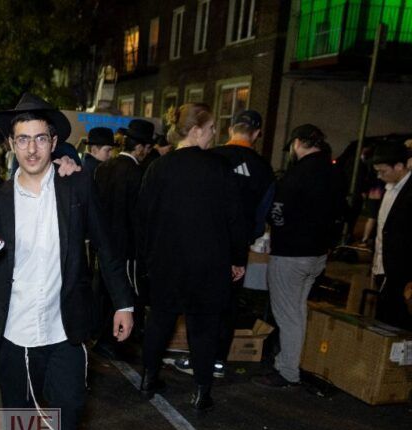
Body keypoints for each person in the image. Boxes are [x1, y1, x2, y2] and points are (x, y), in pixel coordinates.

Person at [0, 93, 134, 430]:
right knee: (19, 409)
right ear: (12, 144)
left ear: (54, 143)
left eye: (40, 138)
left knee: (69, 404)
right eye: (22, 139)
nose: (31, 148)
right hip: (15, 327)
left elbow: (106, 247)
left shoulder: (77, 185)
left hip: (65, 323)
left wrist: (123, 302)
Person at [137, 103, 247, 411]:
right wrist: (238, 258)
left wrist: (147, 258)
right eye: (211, 128)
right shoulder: (219, 168)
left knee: (160, 320)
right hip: (208, 263)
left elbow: (143, 217)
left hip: (166, 261)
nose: (214, 134)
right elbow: (235, 218)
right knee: (204, 327)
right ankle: (201, 391)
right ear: (196, 130)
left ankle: (148, 378)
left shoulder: (158, 167)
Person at [172, 110, 274, 377]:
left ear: (230, 129)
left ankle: (197, 357)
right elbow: (262, 213)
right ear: (256, 134)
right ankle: (217, 359)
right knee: (228, 303)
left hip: (206, 243)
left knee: (199, 302)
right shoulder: (264, 168)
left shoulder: (213, 157)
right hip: (238, 247)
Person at [254, 124, 340, 388]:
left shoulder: (298, 173)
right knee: (297, 311)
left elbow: (277, 210)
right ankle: (288, 361)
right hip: (317, 254)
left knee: (288, 315)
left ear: (298, 143)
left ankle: (288, 371)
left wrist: (276, 226)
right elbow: (342, 210)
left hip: (291, 253)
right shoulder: (333, 171)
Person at [92, 119, 156, 358]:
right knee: (127, 295)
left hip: (103, 243)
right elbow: (140, 217)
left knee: (105, 292)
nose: (147, 153)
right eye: (147, 148)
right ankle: (114, 341)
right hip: (127, 248)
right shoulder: (138, 173)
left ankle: (103, 336)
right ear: (139, 147)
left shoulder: (104, 167)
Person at [370, 141, 412, 330]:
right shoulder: (389, 189)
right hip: (384, 269)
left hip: (403, 273)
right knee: (384, 322)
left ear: (399, 166)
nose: (379, 176)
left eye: (383, 171)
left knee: (397, 326)